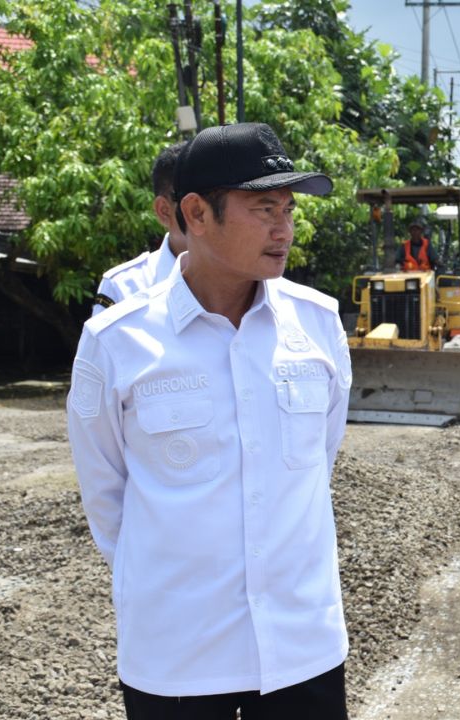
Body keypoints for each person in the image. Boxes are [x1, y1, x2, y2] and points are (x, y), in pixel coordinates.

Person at [66, 122, 354, 718]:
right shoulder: (118, 341)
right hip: (178, 657)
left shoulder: (319, 327)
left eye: (290, 208)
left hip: (302, 651)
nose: (285, 228)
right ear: (196, 213)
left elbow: (314, 467)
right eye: (264, 208)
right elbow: (106, 495)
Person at [92, 141, 189, 315]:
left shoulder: (249, 282)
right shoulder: (122, 288)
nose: (213, 211)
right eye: (194, 204)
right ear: (164, 211)